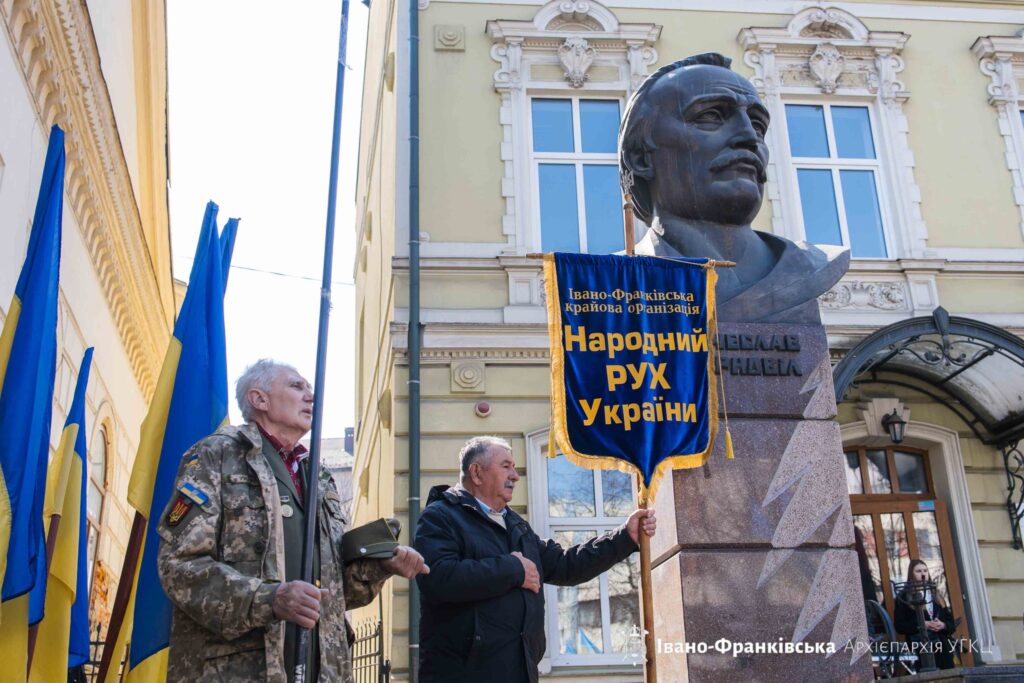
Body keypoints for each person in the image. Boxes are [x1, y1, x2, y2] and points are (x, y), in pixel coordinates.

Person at [157, 359, 429, 682]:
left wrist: (381, 567)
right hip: (238, 670)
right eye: (296, 386)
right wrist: (269, 599)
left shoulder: (319, 477)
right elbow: (179, 567)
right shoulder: (216, 456)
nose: (310, 397)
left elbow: (333, 591)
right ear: (260, 400)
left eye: (310, 389)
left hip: (322, 670)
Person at [619, 52, 848, 324]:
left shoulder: (807, 266)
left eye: (758, 124)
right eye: (711, 116)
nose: (749, 136)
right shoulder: (611, 284)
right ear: (641, 157)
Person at [414, 436, 657, 683]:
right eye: (506, 465)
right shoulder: (441, 516)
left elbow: (565, 566)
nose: (515, 475)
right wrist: (513, 569)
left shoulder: (516, 525)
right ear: (477, 473)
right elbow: (438, 577)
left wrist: (624, 537)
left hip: (520, 672)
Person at [894, 559, 956, 670]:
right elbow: (900, 626)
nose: (923, 574)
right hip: (920, 646)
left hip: (942, 646)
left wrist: (943, 625)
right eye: (918, 571)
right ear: (911, 574)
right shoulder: (904, 597)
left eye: (925, 571)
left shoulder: (936, 594)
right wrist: (922, 624)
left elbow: (950, 622)